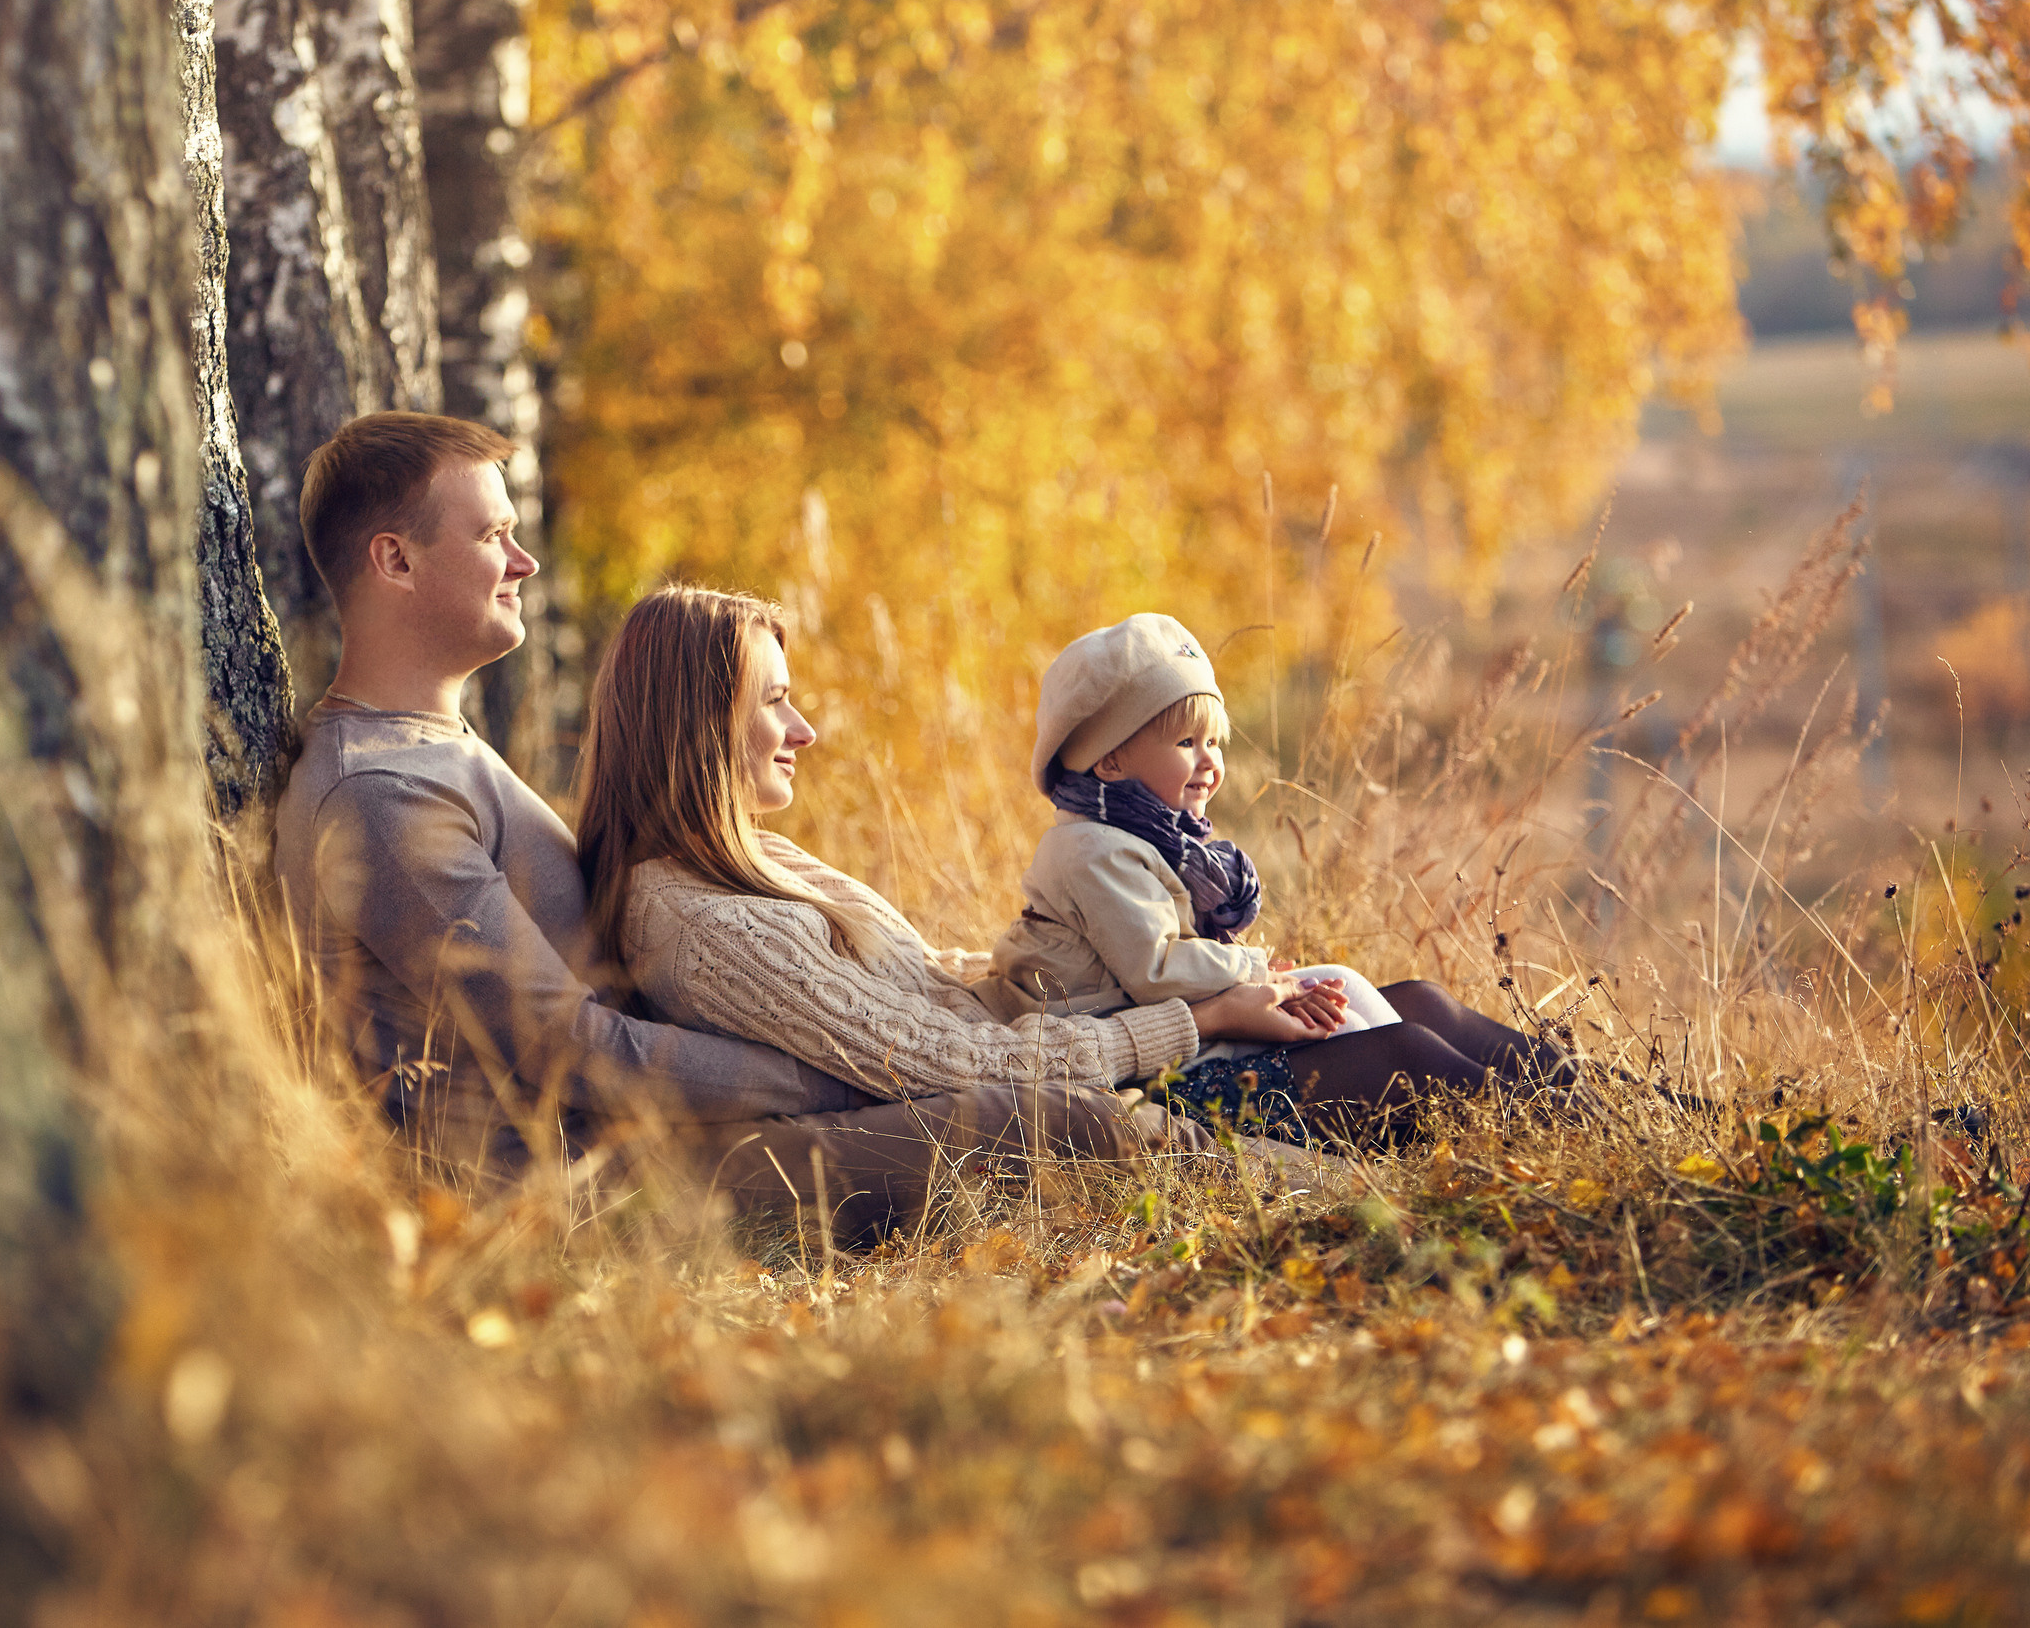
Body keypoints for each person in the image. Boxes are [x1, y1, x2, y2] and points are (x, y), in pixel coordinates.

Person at [273, 417, 1300, 1241]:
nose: (525, 560)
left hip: (682, 1133)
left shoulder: (435, 749)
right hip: (590, 1196)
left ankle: (1324, 1164)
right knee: (1051, 1118)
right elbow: (568, 1050)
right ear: (395, 561)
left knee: (1044, 1088)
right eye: (492, 533)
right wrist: (825, 1070)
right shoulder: (380, 791)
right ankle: (1324, 1202)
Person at [575, 585, 1333, 1227]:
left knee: (1400, 1012)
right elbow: (943, 1059)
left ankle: (1411, 1170)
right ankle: (1367, 1197)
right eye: (775, 700)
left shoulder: (749, 857)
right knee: (1383, 1057)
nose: (805, 729)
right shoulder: (698, 923)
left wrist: (1065, 968)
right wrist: (1199, 1017)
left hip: (1051, 1038)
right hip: (1037, 1083)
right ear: (698, 723)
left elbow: (921, 983)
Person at [988, 613, 1584, 1145]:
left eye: (1214, 742)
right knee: (1404, 1052)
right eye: (1185, 742)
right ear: (1110, 759)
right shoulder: (1091, 851)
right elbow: (1157, 971)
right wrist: (1254, 973)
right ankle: (1571, 1123)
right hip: (1164, 1077)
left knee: (1418, 1000)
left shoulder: (1144, 835)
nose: (1210, 760)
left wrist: (1266, 981)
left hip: (1197, 1044)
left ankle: (1612, 1100)